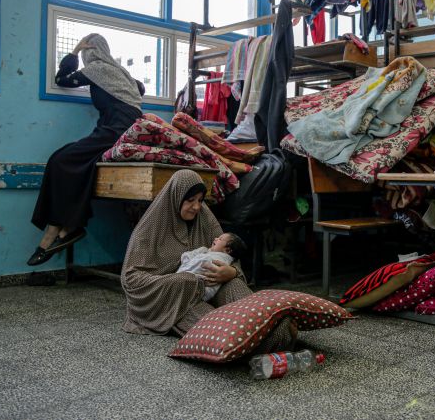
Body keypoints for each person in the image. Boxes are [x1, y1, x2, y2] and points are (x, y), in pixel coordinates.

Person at [120, 170, 295, 351]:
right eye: (190, 200)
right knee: (221, 330)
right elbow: (131, 279)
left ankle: (276, 325)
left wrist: (231, 271)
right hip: (176, 300)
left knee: (234, 284)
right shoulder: (148, 231)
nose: (197, 207)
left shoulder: (204, 218)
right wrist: (181, 281)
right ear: (176, 197)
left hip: (210, 287)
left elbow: (228, 251)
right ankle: (270, 340)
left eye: (200, 200)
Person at [27, 34, 145, 266]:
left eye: (85, 53)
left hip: (116, 130)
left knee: (61, 160)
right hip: (121, 128)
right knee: (66, 159)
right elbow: (140, 88)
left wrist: (73, 53)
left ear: (89, 53)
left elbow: (61, 79)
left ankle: (58, 232)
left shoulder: (98, 69)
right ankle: (65, 229)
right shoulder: (121, 73)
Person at [177, 232, 247, 301]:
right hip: (190, 287)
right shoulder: (207, 252)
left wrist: (233, 271)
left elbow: (198, 264)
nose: (215, 238)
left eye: (220, 239)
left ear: (228, 250)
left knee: (237, 283)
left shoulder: (220, 259)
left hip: (197, 288)